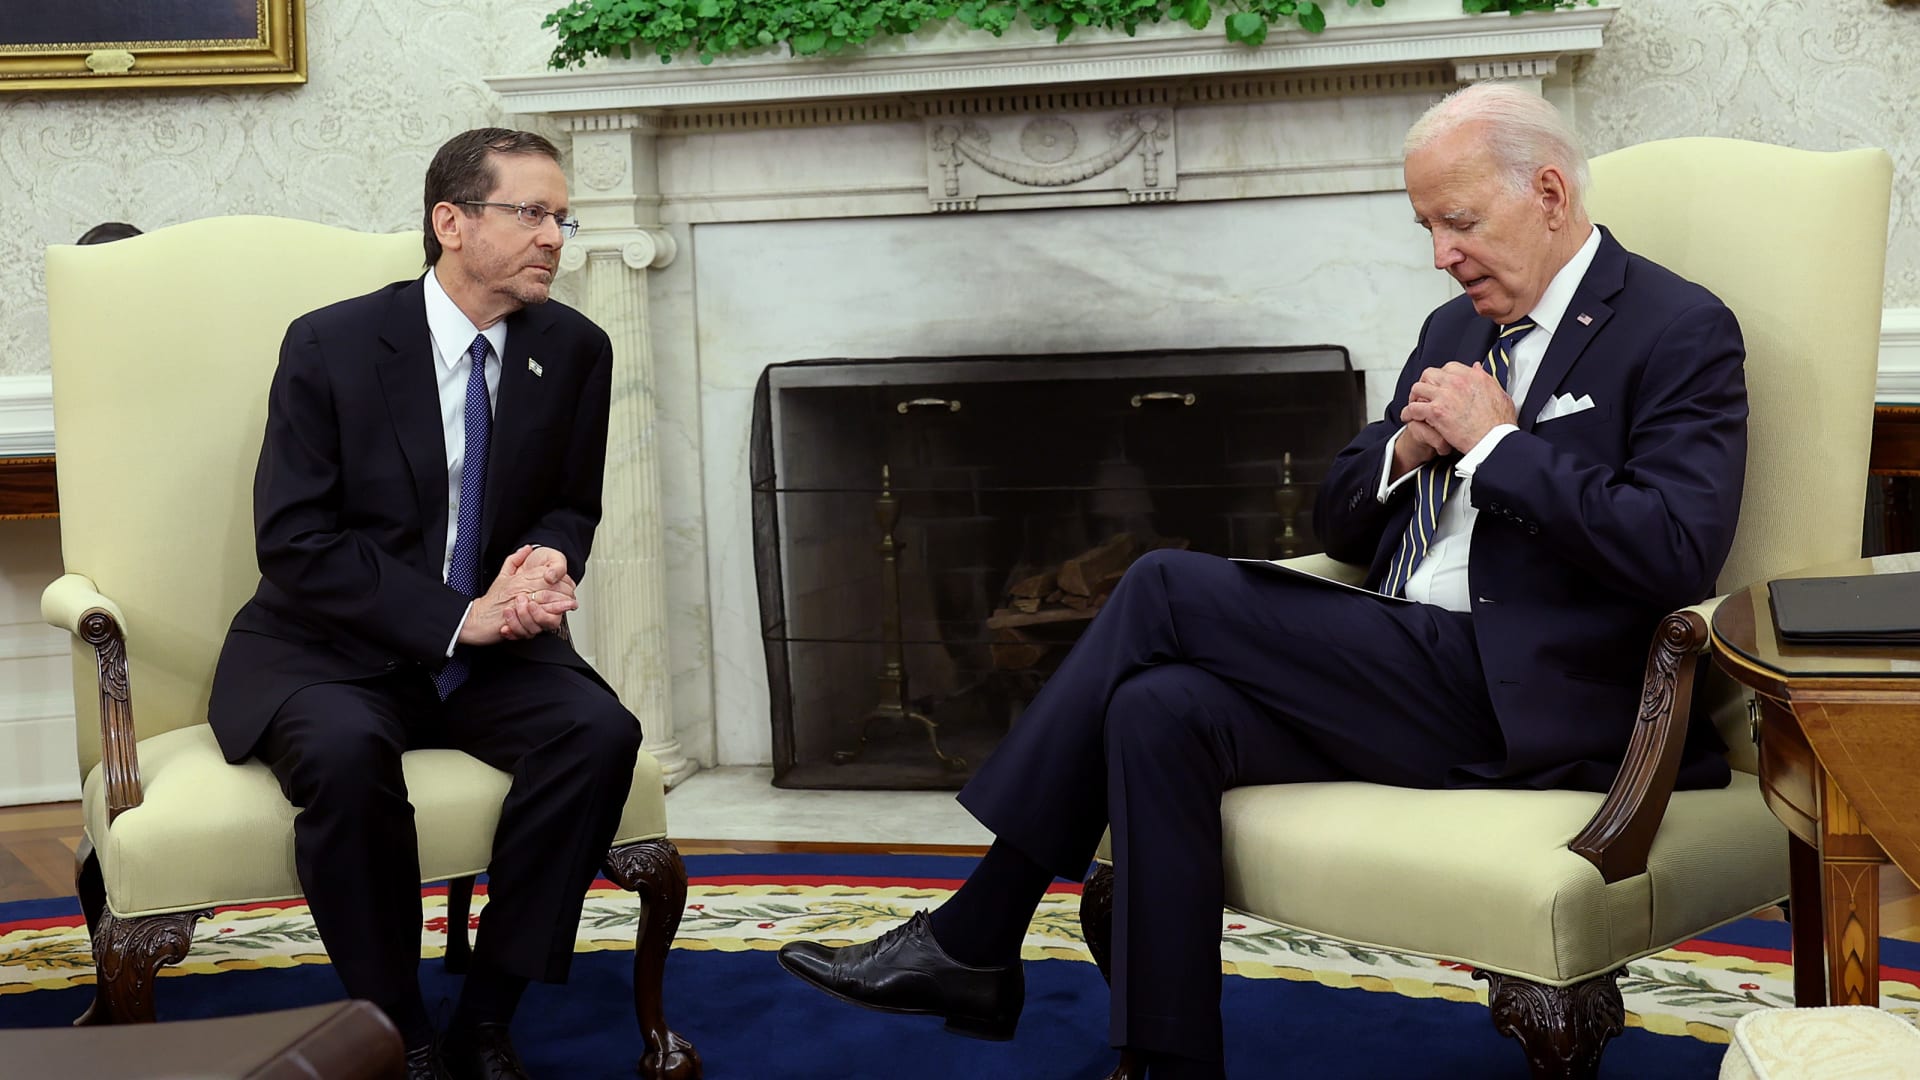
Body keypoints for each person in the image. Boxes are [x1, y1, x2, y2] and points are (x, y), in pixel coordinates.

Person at [777, 82, 1748, 1079]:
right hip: (1411, 667)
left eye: (1459, 222)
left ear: (1548, 193)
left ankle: (977, 932)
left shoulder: (1677, 328)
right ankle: (1167, 1064)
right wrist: (1406, 451)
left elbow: (1676, 550)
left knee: (1160, 585)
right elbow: (1338, 522)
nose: (1442, 254)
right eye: (1425, 227)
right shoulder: (1454, 329)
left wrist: (1496, 446)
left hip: (1546, 696)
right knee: (1159, 709)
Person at [207, 128, 640, 1080]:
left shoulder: (575, 348)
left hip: (490, 657)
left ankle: (487, 1015)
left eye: (562, 218)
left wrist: (546, 560)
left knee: (599, 732)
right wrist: (456, 618)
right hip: (330, 648)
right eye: (531, 213)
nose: (555, 237)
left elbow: (571, 503)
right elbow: (294, 539)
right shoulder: (331, 344)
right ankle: (398, 1031)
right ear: (452, 222)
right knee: (344, 753)